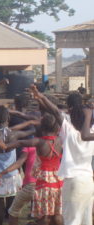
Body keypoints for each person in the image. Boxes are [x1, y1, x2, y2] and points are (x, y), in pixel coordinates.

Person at [30, 86, 94, 225]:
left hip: (73, 182)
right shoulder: (91, 132)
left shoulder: (69, 130)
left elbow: (54, 111)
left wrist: (41, 97)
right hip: (89, 181)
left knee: (71, 221)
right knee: (86, 221)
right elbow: (56, 111)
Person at [0, 113, 63, 225]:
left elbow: (21, 142)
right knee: (57, 214)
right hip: (58, 181)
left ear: (43, 128)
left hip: (43, 182)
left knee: (44, 217)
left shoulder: (40, 142)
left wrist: (6, 146)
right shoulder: (60, 140)